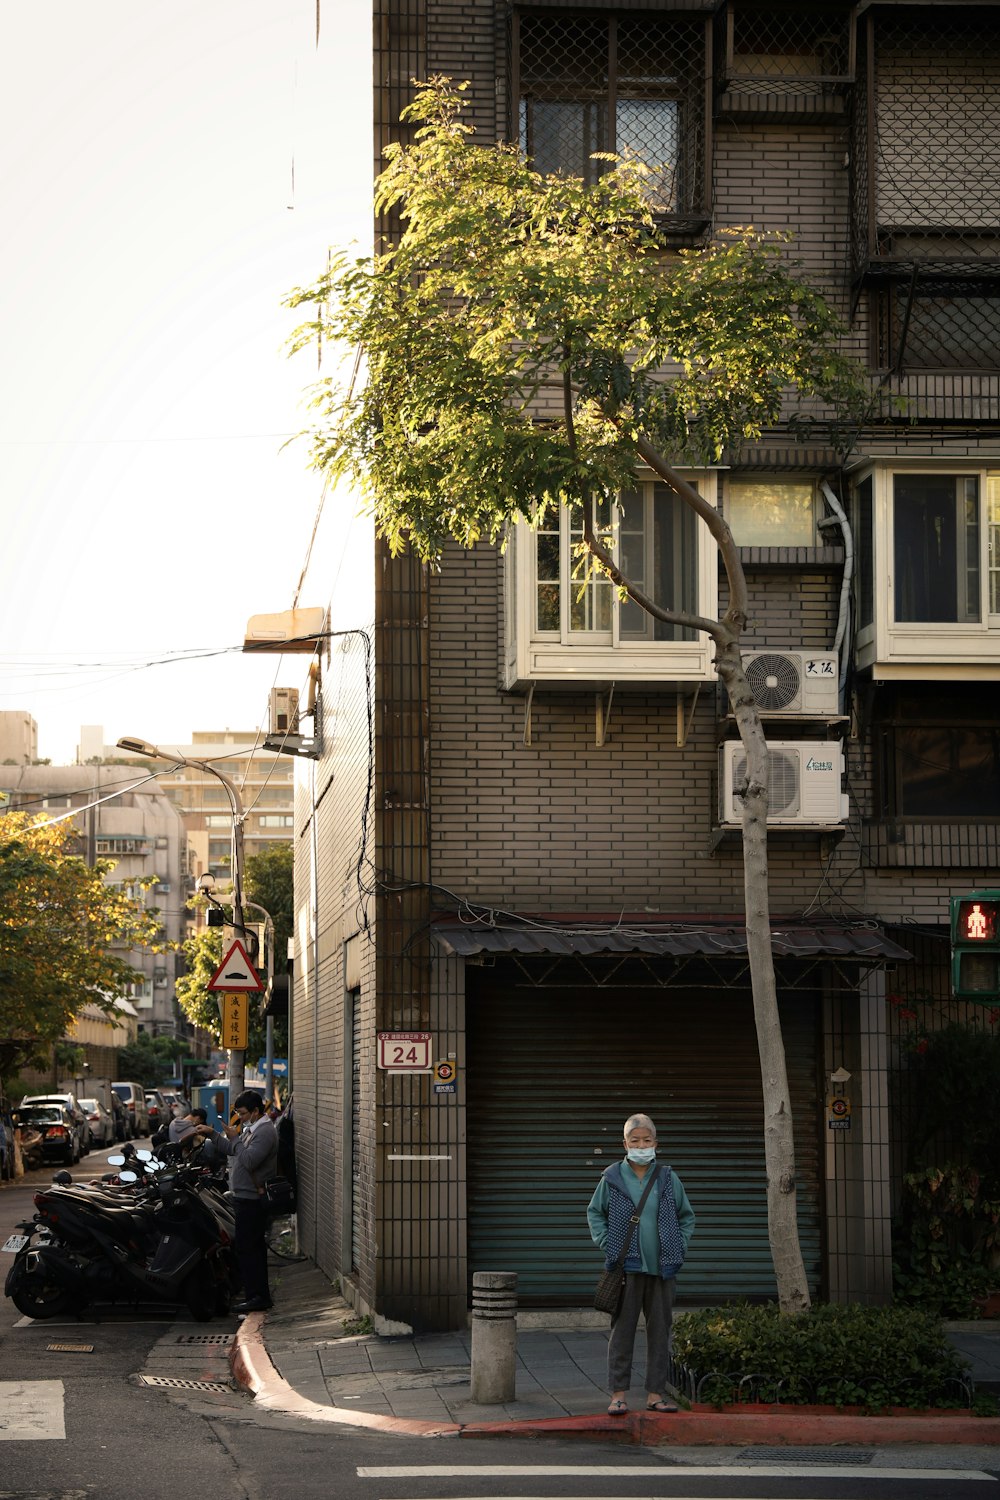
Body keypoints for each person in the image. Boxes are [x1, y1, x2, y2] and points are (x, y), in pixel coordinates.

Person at [587, 1112, 695, 1417]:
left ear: (656, 1143)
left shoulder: (667, 1177)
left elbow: (686, 1216)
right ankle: (618, 1395)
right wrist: (608, 1244)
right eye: (635, 1140)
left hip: (663, 1269)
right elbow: (595, 1213)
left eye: (647, 1140)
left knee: (660, 1332)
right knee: (622, 1332)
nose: (641, 1145)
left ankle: (655, 1394)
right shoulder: (612, 1177)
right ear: (624, 1143)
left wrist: (679, 1245)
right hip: (626, 1269)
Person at [194, 1089, 278, 1314]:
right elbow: (234, 1149)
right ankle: (257, 1295)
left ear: (255, 1111)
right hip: (244, 1197)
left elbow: (249, 1160)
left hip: (252, 1200)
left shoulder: (265, 1132)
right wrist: (213, 1134)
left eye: (242, 1113)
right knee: (249, 1248)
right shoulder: (254, 1129)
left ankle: (257, 1297)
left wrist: (235, 1138)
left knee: (249, 1249)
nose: (240, 1117)